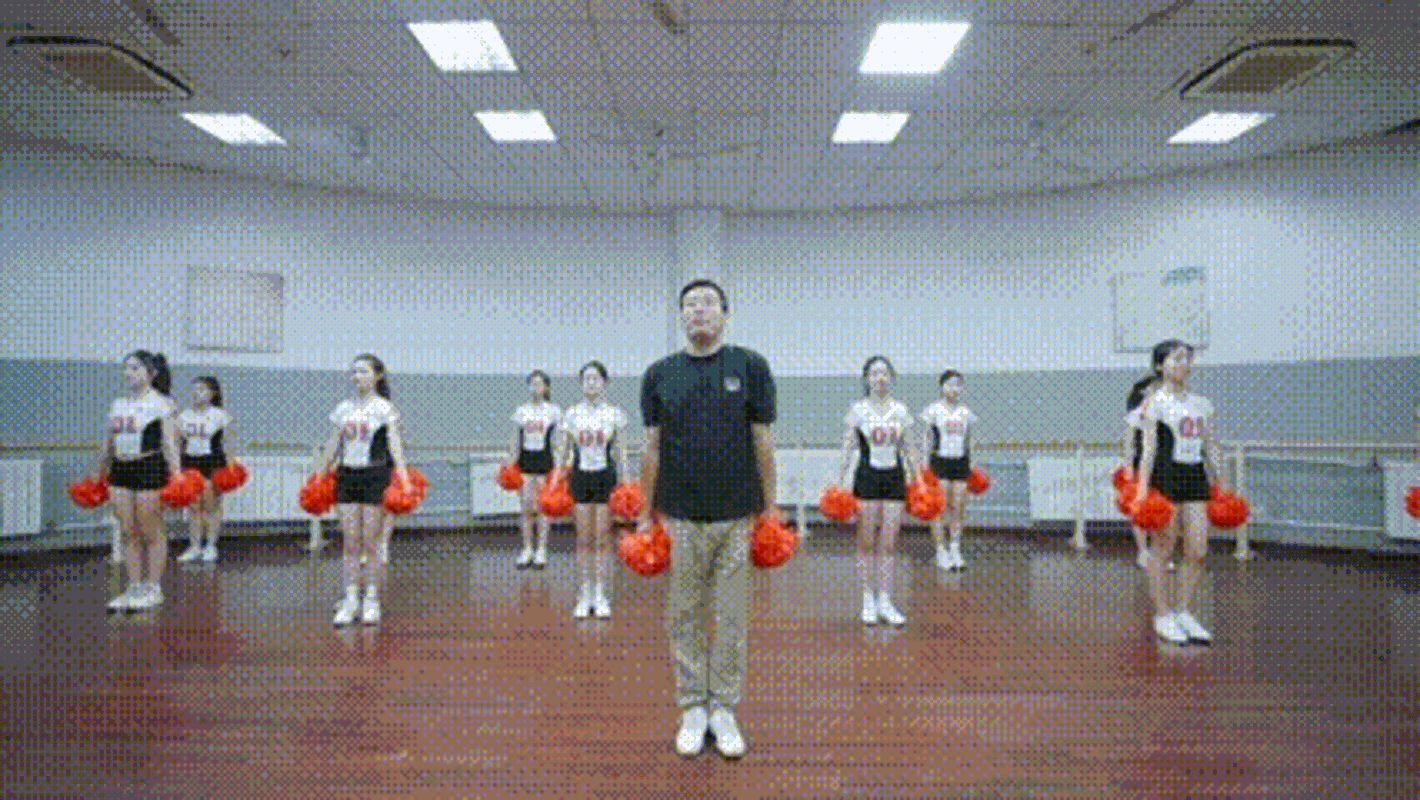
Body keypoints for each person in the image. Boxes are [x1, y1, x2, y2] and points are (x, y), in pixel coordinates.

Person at [638, 279, 777, 759]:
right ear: (681, 316)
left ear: (725, 314)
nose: (699, 310)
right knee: (684, 616)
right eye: (690, 304)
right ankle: (693, 707)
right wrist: (644, 513)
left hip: (737, 515)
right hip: (679, 517)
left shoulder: (750, 366)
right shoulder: (660, 374)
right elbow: (652, 448)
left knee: (732, 617)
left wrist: (771, 508)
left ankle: (724, 708)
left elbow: (763, 441)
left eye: (708, 303)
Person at [1132, 340, 1225, 645]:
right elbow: (1148, 451)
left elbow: (1211, 446)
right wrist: (1141, 493)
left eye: (1186, 358)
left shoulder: (1201, 404)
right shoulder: (1154, 403)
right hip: (1165, 477)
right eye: (1175, 358)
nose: (1183, 364)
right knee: (1163, 547)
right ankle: (1162, 615)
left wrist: (1222, 484)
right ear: (1160, 365)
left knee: (1198, 549)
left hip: (1195, 476)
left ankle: (1184, 611)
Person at [312, 354, 411, 627]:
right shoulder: (343, 408)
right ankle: (351, 598)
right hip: (347, 476)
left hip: (374, 477)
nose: (357, 376)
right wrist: (319, 475)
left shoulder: (385, 409)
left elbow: (395, 445)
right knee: (351, 542)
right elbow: (333, 444)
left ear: (378, 376)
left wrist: (403, 476)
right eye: (354, 372)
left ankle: (371, 599)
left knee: (371, 543)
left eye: (364, 371)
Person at [839, 356, 921, 626]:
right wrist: (839, 482)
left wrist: (920, 480)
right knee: (866, 542)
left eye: (885, 373)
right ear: (867, 378)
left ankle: (885, 600)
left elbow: (909, 448)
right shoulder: (858, 410)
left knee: (888, 543)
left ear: (891, 377)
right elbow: (848, 447)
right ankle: (867, 599)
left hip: (894, 479)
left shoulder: (900, 410)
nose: (880, 377)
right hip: (867, 479)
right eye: (874, 373)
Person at [97, 350, 180, 612]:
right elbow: (108, 443)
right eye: (126, 368)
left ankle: (153, 588)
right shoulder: (118, 404)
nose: (128, 373)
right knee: (127, 530)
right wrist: (99, 474)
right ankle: (134, 587)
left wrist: (178, 478)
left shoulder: (163, 403)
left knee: (151, 530)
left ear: (151, 373)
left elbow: (170, 444)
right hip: (120, 469)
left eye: (135, 368)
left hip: (149, 467)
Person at [558, 361, 628, 618]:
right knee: (583, 539)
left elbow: (620, 451)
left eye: (596, 378)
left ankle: (600, 594)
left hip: (605, 479)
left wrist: (626, 482)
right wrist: (556, 478)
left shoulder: (615, 414)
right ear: (581, 383)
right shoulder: (572, 414)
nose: (591, 383)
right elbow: (563, 449)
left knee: (602, 539)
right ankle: (584, 594)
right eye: (586, 378)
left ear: (604, 383)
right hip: (580, 478)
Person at [176, 377, 238, 563]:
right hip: (190, 463)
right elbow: (179, 444)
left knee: (211, 506)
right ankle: (194, 546)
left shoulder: (220, 416)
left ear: (212, 394)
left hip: (212, 463)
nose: (197, 393)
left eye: (202, 389)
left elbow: (228, 444)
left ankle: (211, 546)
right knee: (193, 508)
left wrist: (231, 469)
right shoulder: (184, 416)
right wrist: (176, 469)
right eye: (194, 389)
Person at [920, 370, 978, 571]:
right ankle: (940, 551)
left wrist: (972, 463)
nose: (954, 388)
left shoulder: (965, 412)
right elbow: (927, 438)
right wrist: (923, 464)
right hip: (940, 462)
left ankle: (955, 548)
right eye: (950, 384)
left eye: (958, 385)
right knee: (939, 508)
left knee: (958, 507)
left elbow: (969, 440)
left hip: (960, 463)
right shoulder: (933, 410)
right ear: (942, 386)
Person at [510, 371, 561, 569]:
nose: (536, 387)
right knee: (526, 507)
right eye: (532, 383)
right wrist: (510, 461)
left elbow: (558, 441)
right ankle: (527, 549)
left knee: (543, 508)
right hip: (525, 462)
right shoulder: (521, 411)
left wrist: (560, 466)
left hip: (544, 462)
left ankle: (541, 550)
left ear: (546, 388)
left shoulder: (553, 411)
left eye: (539, 384)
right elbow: (515, 440)